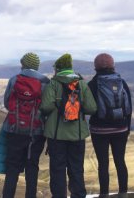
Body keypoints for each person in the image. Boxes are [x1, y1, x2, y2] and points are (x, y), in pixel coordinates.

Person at [40, 53, 97, 198]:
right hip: (77, 135)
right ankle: (78, 195)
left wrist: (57, 106)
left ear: (57, 69)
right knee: (76, 168)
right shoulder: (81, 84)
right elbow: (92, 108)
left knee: (57, 169)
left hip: (56, 135)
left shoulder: (53, 84)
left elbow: (45, 107)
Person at [1, 52, 50, 198]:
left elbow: (7, 103)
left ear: (23, 64)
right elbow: (47, 107)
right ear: (37, 66)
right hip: (36, 132)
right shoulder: (45, 82)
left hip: (14, 130)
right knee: (32, 167)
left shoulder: (14, 79)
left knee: (12, 168)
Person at [88, 53, 132, 198]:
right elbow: (129, 107)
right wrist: (127, 128)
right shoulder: (121, 82)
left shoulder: (93, 84)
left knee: (103, 163)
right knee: (120, 161)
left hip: (99, 130)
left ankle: (104, 194)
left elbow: (89, 108)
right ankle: (123, 193)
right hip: (121, 129)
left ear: (96, 67)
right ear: (113, 65)